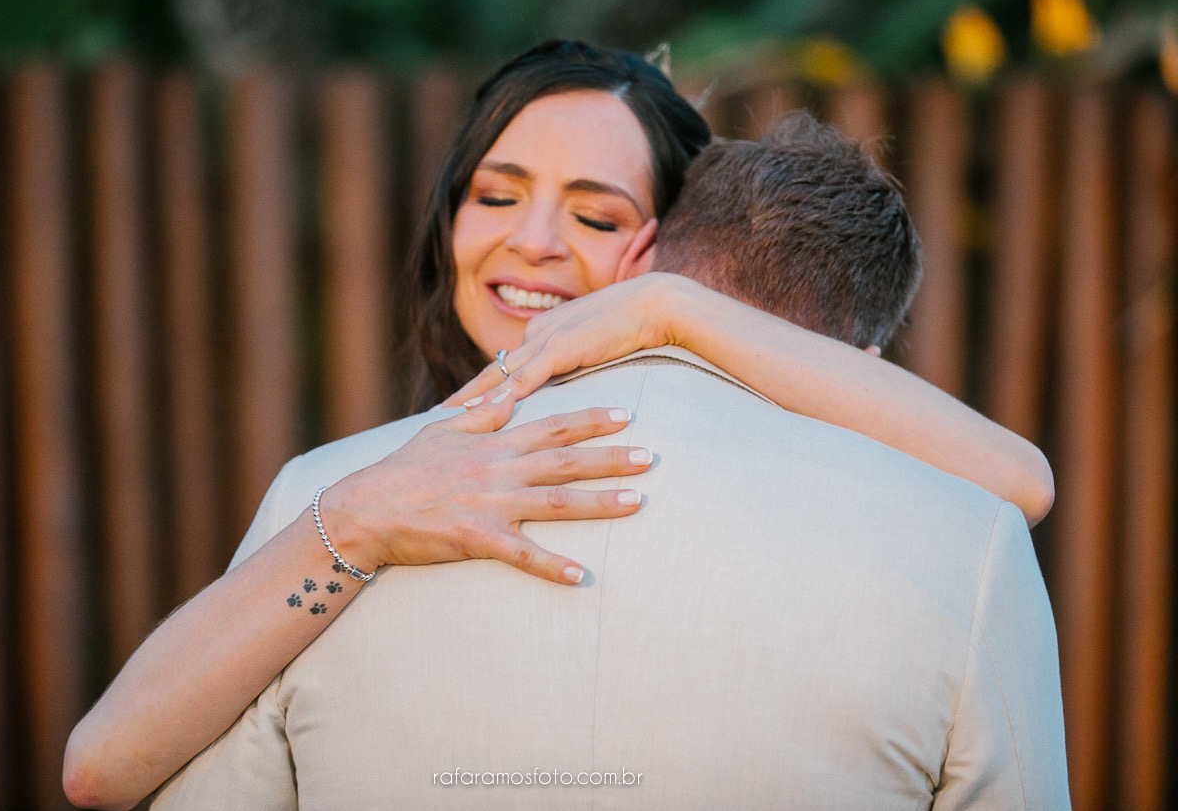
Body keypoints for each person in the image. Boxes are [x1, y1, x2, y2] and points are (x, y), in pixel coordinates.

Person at [63, 41, 1053, 809]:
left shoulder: (325, 479)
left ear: (660, 242)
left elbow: (1015, 481)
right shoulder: (345, 490)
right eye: (494, 193)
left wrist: (672, 310)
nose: (530, 241)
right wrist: (354, 519)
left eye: (592, 214)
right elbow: (101, 765)